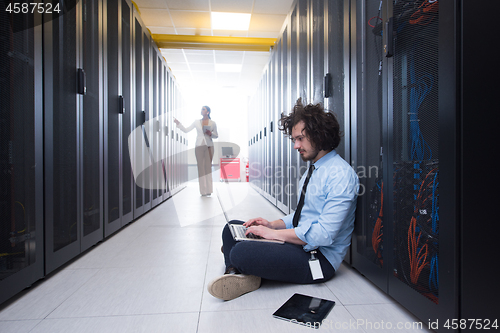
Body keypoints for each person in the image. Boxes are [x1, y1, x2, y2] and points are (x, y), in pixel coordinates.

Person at [207, 99, 359, 301]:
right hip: (300, 245)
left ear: (319, 134)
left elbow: (323, 235)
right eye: (294, 139)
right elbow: (300, 216)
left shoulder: (340, 175)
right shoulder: (311, 172)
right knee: (232, 228)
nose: (296, 145)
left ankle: (238, 264)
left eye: (300, 138)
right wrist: (272, 225)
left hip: (318, 259)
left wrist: (273, 235)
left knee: (240, 249)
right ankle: (239, 272)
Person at [174, 106, 218, 196]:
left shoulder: (213, 123)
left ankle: (209, 190)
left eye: (203, 109)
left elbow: (216, 135)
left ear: (208, 112)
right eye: (201, 109)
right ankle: (203, 191)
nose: (201, 110)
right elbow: (186, 130)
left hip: (209, 146)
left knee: (208, 168)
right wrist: (179, 124)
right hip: (199, 146)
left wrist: (211, 134)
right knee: (201, 168)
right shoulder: (196, 122)